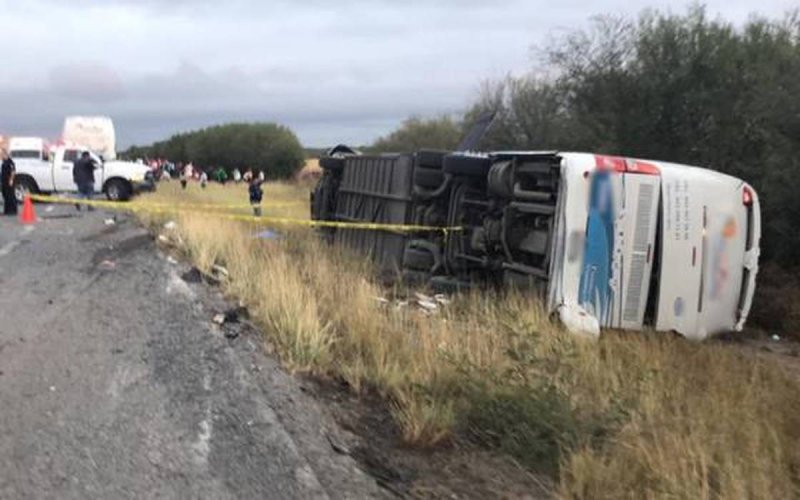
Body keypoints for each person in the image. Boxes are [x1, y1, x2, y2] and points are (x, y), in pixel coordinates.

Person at [1, 150, 17, 216]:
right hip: (4, 182)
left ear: (6, 155)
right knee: (5, 196)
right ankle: (6, 210)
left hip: (9, 182)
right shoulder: (4, 162)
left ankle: (12, 211)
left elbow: (13, 172)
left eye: (2, 155)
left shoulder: (10, 162)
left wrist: (11, 180)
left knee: (10, 196)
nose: (1, 156)